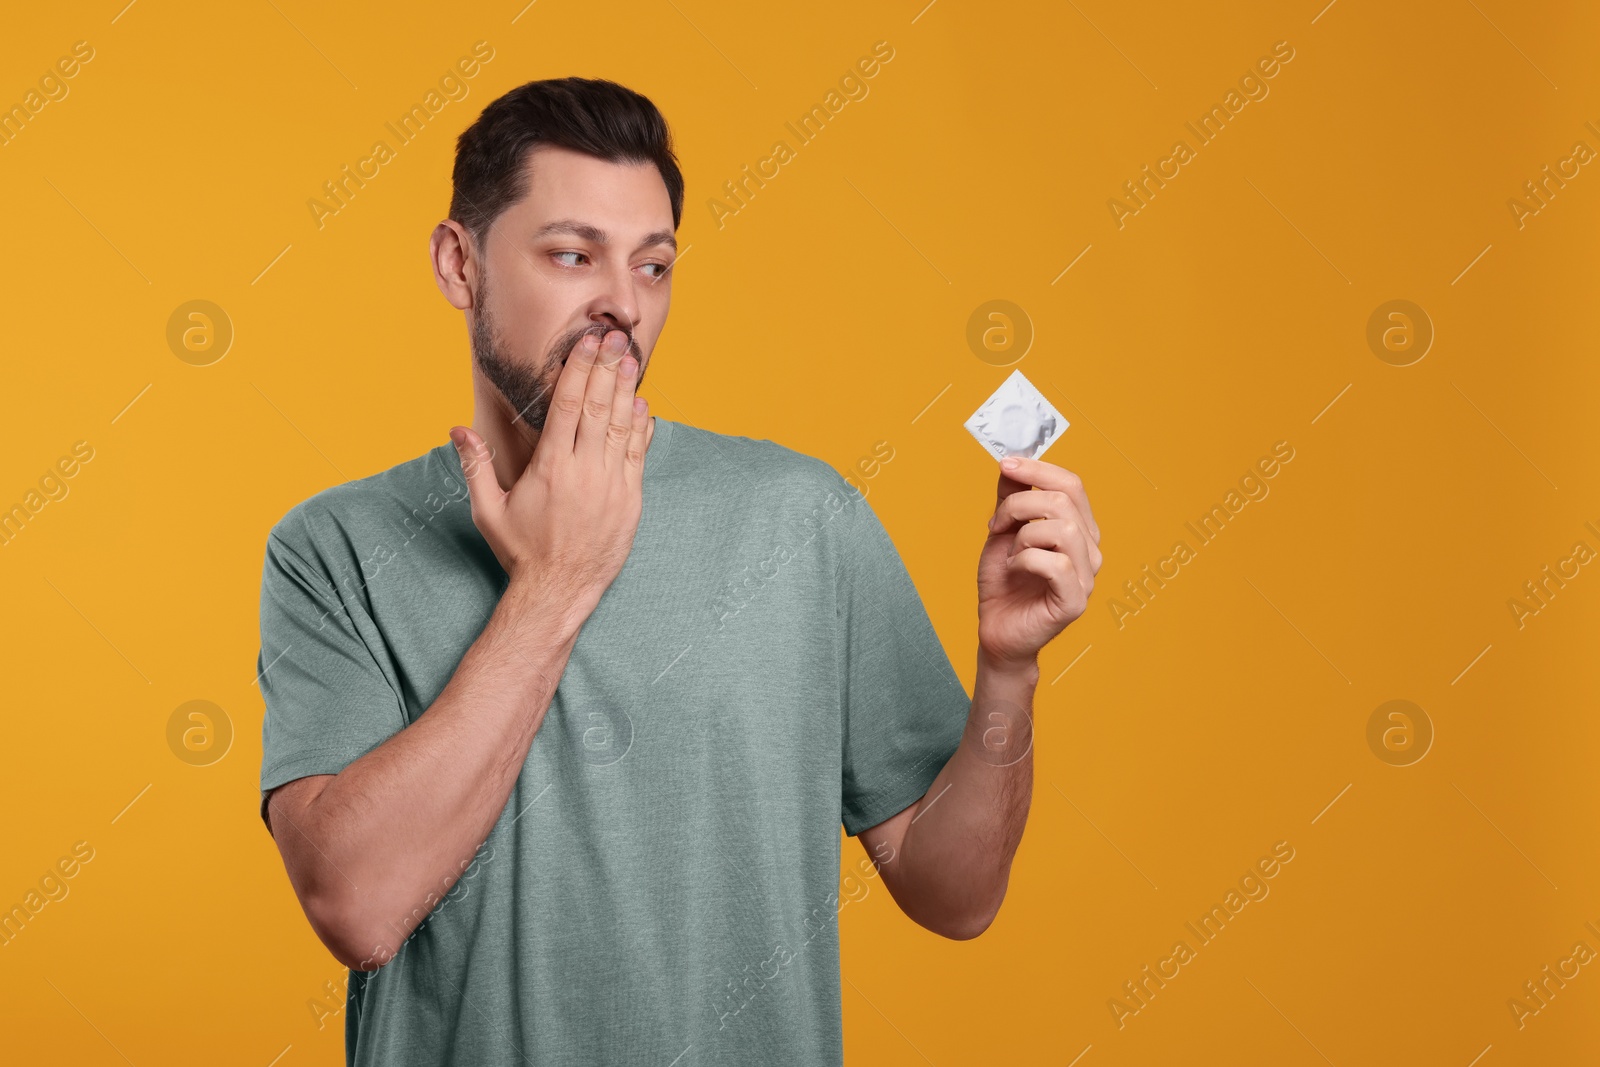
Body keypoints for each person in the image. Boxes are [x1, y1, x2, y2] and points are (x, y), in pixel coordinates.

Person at [255, 76, 1101, 1066]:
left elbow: (956, 894)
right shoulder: (338, 546)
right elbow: (355, 907)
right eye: (572, 255)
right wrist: (554, 583)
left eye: (653, 266)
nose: (621, 302)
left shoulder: (802, 516)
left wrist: (1008, 666)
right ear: (459, 262)